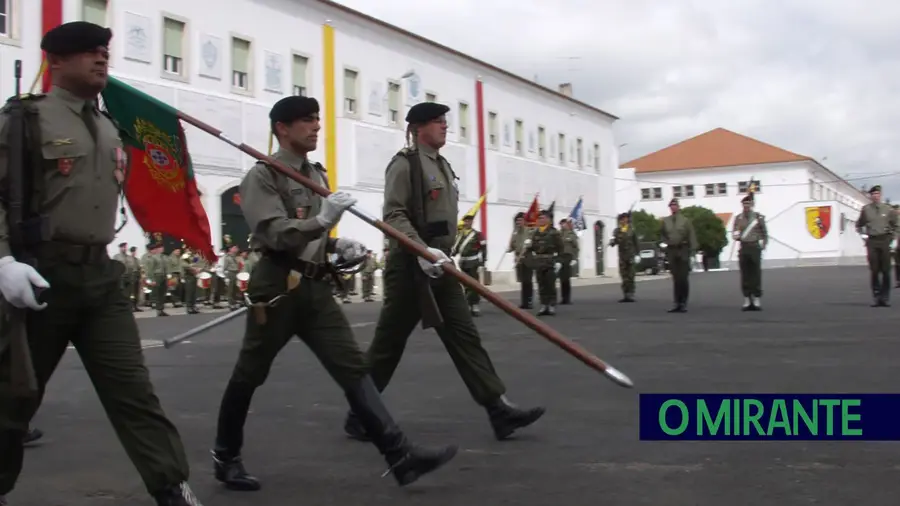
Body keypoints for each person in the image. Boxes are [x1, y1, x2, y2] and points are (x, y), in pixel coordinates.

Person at [0, 21, 204, 506]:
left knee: (134, 393)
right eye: (88, 52)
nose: (100, 59)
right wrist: (3, 259)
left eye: (103, 52)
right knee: (14, 399)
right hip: (40, 275)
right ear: (57, 61)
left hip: (100, 276)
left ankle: (171, 488)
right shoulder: (25, 119)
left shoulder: (110, 126)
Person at [210, 95, 457, 492]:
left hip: (315, 286)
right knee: (250, 373)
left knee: (353, 368)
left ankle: (399, 455)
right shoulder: (264, 175)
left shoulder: (317, 175)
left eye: (316, 119)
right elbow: (273, 231)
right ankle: (226, 456)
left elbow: (318, 234)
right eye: (306, 121)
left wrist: (336, 246)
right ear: (282, 129)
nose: (316, 126)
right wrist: (322, 221)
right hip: (277, 286)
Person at [343, 102, 545, 442]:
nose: (445, 126)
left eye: (445, 121)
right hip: (411, 265)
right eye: (438, 122)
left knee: (465, 336)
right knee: (387, 346)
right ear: (419, 127)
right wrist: (419, 249)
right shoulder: (405, 164)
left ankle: (498, 409)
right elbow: (394, 214)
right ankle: (359, 413)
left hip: (441, 263)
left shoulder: (442, 166)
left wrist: (437, 254)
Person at [856, 185, 899, 307]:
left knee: (886, 270)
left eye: (877, 194)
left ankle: (884, 298)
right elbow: (859, 224)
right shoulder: (866, 209)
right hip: (872, 241)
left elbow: (896, 225)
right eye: (873, 194)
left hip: (885, 240)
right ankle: (876, 296)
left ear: (880, 195)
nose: (875, 196)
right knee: (874, 270)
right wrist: (863, 235)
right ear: (870, 196)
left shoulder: (888, 209)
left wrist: (894, 238)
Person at [659, 198, 697, 313]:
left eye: (675, 205)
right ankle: (676, 302)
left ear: (678, 207)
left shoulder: (685, 221)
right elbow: (662, 235)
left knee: (683, 278)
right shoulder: (665, 221)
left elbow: (692, 236)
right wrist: (664, 245)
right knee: (676, 278)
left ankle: (683, 302)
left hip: (683, 250)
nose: (673, 207)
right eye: (671, 206)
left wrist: (693, 252)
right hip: (672, 251)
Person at [731, 194, 768, 310]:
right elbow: (735, 231)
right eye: (744, 204)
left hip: (755, 247)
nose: (746, 206)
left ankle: (756, 298)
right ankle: (747, 298)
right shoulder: (738, 218)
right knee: (745, 274)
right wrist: (736, 235)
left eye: (748, 204)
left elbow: (764, 233)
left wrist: (763, 244)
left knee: (756, 274)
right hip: (744, 247)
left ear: (751, 205)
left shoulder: (758, 217)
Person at [525, 210, 563, 315]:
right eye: (539, 218)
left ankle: (551, 305)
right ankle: (543, 304)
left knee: (550, 284)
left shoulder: (554, 232)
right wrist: (529, 245)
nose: (540, 220)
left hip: (550, 261)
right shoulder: (535, 232)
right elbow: (532, 248)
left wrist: (559, 261)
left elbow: (560, 248)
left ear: (548, 219)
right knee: (540, 284)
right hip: (538, 261)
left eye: (542, 218)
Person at [451, 214, 486, 315]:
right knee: (465, 284)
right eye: (465, 221)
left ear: (471, 222)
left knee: (474, 284)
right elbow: (456, 249)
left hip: (473, 262)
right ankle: (468, 303)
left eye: (469, 221)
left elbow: (483, 249)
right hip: (463, 262)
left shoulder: (477, 234)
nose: (467, 223)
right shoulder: (460, 235)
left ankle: (475, 305)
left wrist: (482, 262)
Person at [610, 212, 639, 302]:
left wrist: (638, 254)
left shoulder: (631, 229)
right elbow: (614, 242)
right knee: (624, 276)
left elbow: (636, 243)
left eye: (625, 219)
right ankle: (626, 294)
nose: (624, 220)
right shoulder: (617, 231)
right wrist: (612, 242)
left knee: (631, 276)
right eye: (622, 219)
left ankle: (631, 294)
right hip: (622, 256)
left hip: (630, 255)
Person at [507, 212, 533, 308]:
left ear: (524, 221)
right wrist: (509, 249)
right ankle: (524, 302)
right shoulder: (515, 232)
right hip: (518, 259)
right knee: (522, 281)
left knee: (527, 281)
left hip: (527, 259)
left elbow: (531, 244)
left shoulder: (529, 231)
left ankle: (529, 301)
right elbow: (513, 246)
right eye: (517, 220)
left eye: (520, 220)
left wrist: (529, 243)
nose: (518, 222)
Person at [557, 218, 579, 304]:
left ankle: (567, 298)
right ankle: (563, 298)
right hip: (560, 257)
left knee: (566, 279)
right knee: (562, 279)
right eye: (561, 224)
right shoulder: (558, 234)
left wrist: (574, 258)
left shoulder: (571, 234)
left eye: (564, 224)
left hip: (568, 257)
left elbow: (576, 247)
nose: (562, 225)